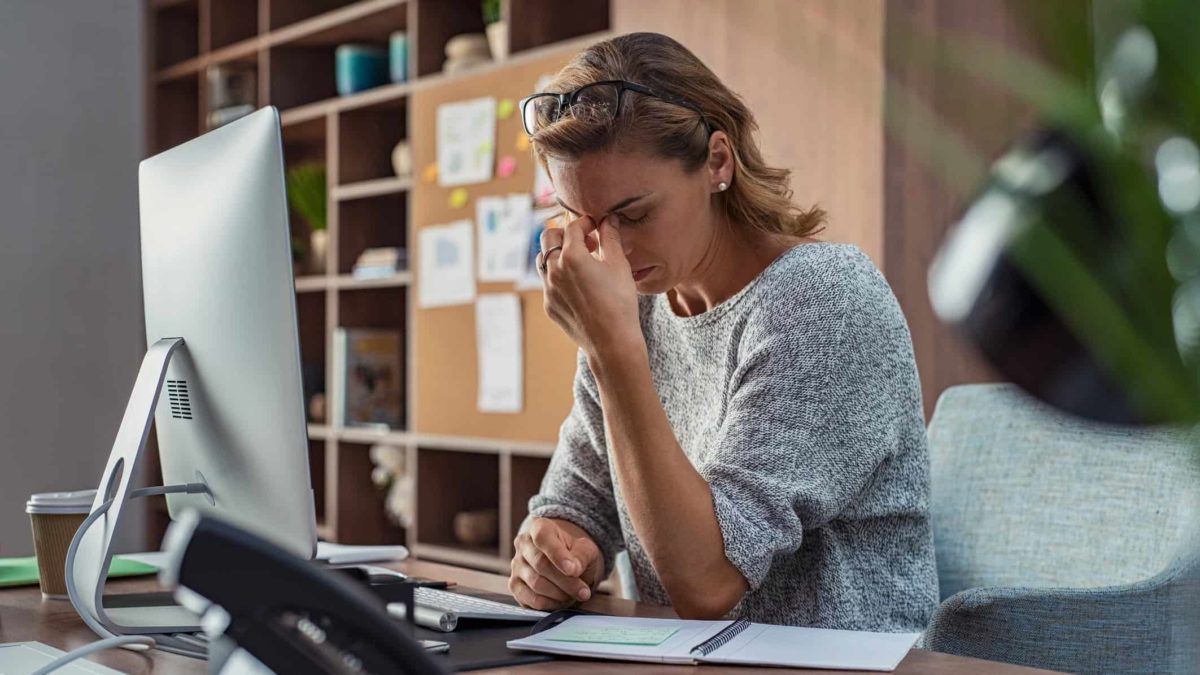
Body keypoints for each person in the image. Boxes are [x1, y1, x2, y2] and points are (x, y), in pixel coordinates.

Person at [510, 32, 938, 631]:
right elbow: (579, 500)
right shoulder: (635, 311)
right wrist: (553, 550)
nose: (610, 248)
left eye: (634, 215)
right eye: (585, 219)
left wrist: (611, 349)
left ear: (717, 161)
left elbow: (707, 582)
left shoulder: (823, 301)